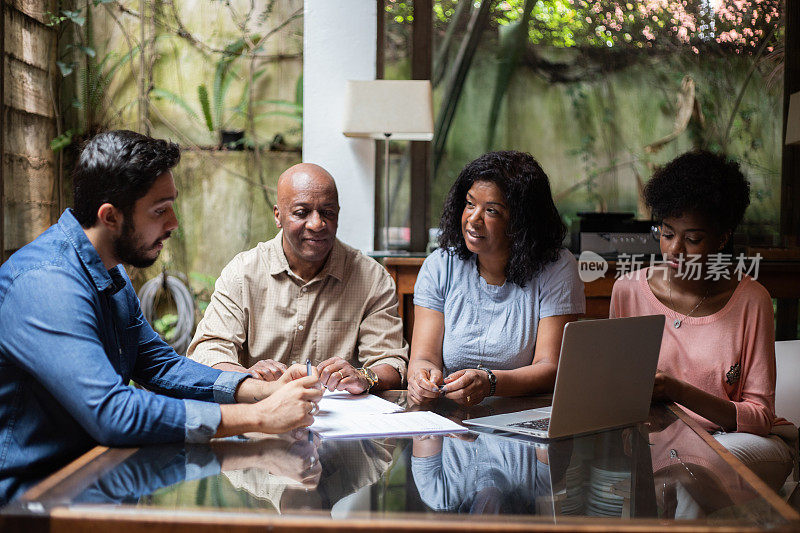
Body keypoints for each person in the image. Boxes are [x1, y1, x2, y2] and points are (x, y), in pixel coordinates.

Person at [0, 131, 322, 505]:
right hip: (33, 500)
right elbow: (113, 413)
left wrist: (259, 389)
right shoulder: (46, 284)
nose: (174, 223)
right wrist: (260, 416)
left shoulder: (110, 273)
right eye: (159, 210)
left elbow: (159, 365)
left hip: (98, 477)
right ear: (111, 217)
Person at [610, 150, 793, 490]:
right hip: (658, 441)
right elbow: (617, 393)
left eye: (692, 239)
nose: (675, 250)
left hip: (737, 441)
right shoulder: (628, 291)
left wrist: (675, 390)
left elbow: (758, 416)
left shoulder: (752, 301)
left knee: (692, 473)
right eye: (666, 233)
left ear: (722, 237)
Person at [187, 163, 408, 394]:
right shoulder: (243, 273)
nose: (317, 224)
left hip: (339, 421)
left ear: (338, 214)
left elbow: (392, 362)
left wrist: (363, 376)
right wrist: (250, 378)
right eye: (301, 213)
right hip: (258, 415)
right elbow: (208, 351)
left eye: (327, 213)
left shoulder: (372, 278)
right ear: (278, 216)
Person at [407, 151, 585, 406]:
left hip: (525, 419)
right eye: (470, 204)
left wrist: (490, 383)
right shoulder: (440, 265)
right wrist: (421, 378)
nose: (473, 219)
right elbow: (423, 357)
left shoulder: (557, 268)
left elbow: (551, 368)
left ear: (522, 222)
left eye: (491, 210)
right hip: (451, 420)